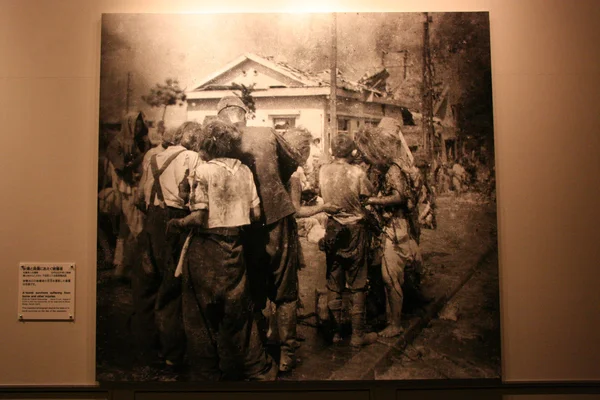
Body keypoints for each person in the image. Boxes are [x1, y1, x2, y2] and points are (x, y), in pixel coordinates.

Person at [167, 120, 276, 381]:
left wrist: (178, 222)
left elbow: (199, 217)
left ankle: (206, 373)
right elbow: (256, 212)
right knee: (240, 312)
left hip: (206, 248)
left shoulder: (203, 171)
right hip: (234, 249)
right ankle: (256, 367)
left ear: (208, 143)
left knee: (198, 315)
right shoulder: (245, 172)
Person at [216, 95, 304, 373]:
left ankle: (260, 349)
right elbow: (293, 162)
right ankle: (287, 354)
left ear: (222, 116)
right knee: (285, 288)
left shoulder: (222, 142)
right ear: (244, 114)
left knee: (252, 287)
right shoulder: (267, 132)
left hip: (243, 223)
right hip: (277, 215)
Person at [131, 121, 203, 370]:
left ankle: (147, 350)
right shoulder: (192, 157)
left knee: (147, 286)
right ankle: (172, 353)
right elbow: (197, 198)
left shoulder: (154, 157)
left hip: (152, 221)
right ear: (192, 139)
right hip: (176, 222)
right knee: (172, 287)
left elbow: (139, 199)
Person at [355, 125, 424, 338]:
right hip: (399, 228)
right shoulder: (394, 166)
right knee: (391, 275)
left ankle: (395, 324)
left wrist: (373, 200)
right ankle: (390, 316)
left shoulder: (393, 169)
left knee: (390, 276)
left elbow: (399, 197)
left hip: (396, 228)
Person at [319, 134, 379, 347]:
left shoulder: (323, 170)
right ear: (352, 152)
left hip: (333, 228)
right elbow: (367, 196)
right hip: (355, 229)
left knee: (334, 281)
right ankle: (357, 335)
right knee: (358, 282)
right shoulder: (358, 173)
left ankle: (335, 333)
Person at [105, 111, 152, 281]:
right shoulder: (116, 144)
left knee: (129, 226)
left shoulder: (142, 142)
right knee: (134, 225)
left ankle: (123, 266)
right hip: (126, 189)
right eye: (135, 124)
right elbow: (121, 167)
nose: (138, 128)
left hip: (139, 188)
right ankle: (127, 266)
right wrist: (142, 156)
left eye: (140, 124)